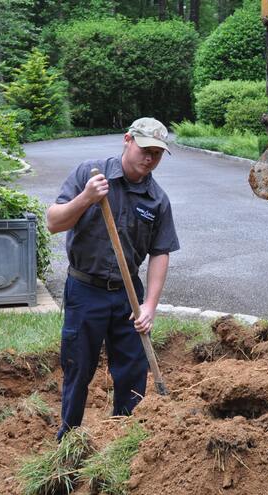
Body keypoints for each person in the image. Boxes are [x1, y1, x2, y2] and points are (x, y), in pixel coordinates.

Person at [46, 117, 179, 440]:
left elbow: (161, 252)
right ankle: (69, 439)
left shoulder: (157, 199)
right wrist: (86, 198)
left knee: (133, 370)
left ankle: (125, 441)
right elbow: (53, 222)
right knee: (78, 367)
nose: (149, 158)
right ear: (127, 140)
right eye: (145, 149)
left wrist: (149, 306)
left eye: (157, 154)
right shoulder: (90, 175)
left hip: (127, 295)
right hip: (85, 289)